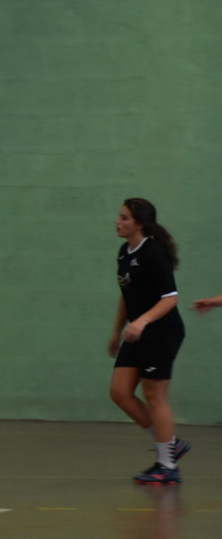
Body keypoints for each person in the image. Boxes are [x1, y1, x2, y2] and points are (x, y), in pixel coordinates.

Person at [109, 198, 189, 485]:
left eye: (124, 218)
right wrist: (117, 331)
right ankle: (171, 443)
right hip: (136, 332)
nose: (118, 221)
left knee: (154, 395)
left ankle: (167, 466)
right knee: (119, 392)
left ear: (139, 224)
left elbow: (170, 298)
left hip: (162, 332)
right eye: (119, 216)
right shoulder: (124, 252)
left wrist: (142, 321)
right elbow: (126, 295)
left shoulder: (154, 253)